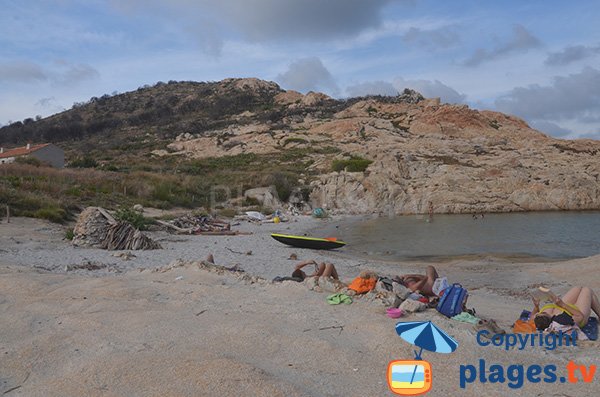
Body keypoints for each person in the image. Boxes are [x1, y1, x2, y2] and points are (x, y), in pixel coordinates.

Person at [532, 287, 600, 331]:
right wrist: (562, 304)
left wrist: (536, 306)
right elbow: (580, 316)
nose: (538, 312)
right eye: (543, 312)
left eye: (538, 313)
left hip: (562, 306)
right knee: (587, 290)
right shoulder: (562, 321)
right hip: (578, 311)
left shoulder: (538, 319)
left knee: (578, 288)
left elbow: (532, 316)